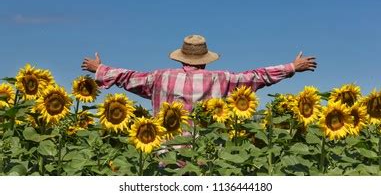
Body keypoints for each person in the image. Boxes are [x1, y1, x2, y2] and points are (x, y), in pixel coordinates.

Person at [81, 35, 317, 115]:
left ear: (181, 57)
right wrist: (292, 67)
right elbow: (256, 76)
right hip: (206, 153)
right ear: (205, 60)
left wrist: (99, 69)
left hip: (165, 154)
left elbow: (128, 77)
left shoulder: (159, 78)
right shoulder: (221, 79)